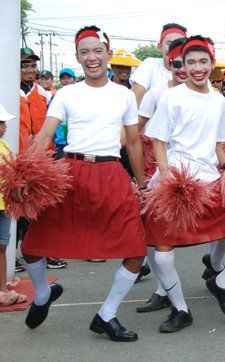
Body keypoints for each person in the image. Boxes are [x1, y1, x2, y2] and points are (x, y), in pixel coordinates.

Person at [19, 26, 147, 342]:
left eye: (97, 50)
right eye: (85, 52)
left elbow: (133, 144)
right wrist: (27, 174)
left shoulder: (124, 94)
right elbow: (46, 136)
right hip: (70, 175)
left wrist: (143, 184)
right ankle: (41, 295)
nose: (92, 58)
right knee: (32, 247)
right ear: (78, 57)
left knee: (135, 250)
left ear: (108, 52)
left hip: (111, 175)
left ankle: (107, 315)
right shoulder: (66, 93)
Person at [144, 35, 225, 332]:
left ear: (212, 64)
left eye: (203, 62)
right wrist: (165, 176)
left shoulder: (217, 99)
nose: (197, 68)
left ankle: (222, 281)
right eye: (191, 62)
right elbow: (159, 143)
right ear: (182, 66)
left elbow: (217, 145)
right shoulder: (171, 97)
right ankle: (180, 309)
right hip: (174, 181)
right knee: (160, 254)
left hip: (211, 180)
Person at [135, 38, 188, 314]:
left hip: (197, 173)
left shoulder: (209, 94)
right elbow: (137, 128)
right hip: (159, 171)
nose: (180, 67)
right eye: (175, 61)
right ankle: (162, 289)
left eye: (186, 61)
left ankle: (217, 268)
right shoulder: (156, 93)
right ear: (168, 62)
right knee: (154, 233)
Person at [19, 48, 67, 270]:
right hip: (13, 157)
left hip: (41, 157)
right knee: (14, 209)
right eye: (24, 65)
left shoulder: (43, 93)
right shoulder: (7, 89)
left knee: (40, 208)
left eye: (32, 65)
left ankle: (43, 253)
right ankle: (15, 256)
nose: (29, 70)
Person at [0, 104, 27, 307]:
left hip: (4, 205)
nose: (4, 127)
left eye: (4, 123)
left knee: (2, 247)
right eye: (1, 123)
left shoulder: (5, 147)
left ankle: (2, 289)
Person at [131, 23, 187, 105]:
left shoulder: (193, 69)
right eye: (169, 43)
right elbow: (136, 100)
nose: (174, 48)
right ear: (159, 46)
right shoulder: (150, 64)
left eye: (179, 44)